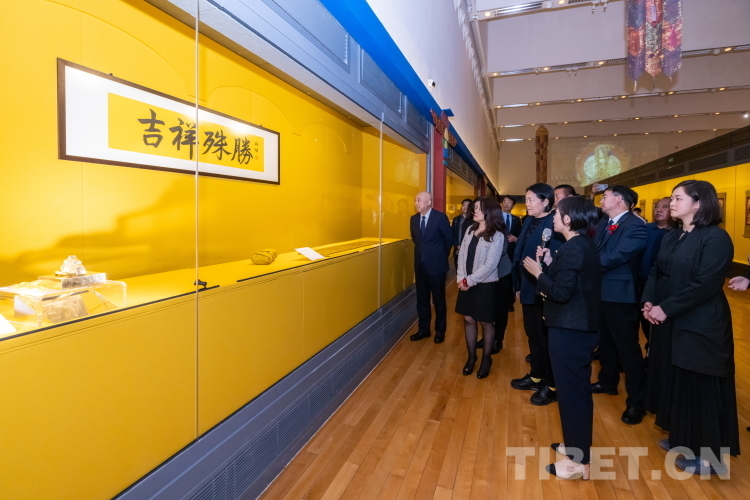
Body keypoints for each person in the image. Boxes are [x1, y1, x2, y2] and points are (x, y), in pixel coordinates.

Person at [642, 180, 740, 474]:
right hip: (672, 318)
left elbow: (705, 285)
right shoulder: (673, 235)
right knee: (679, 382)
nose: (671, 203)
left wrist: (665, 308)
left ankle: (710, 459)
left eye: (678, 198)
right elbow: (656, 271)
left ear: (699, 204)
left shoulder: (716, 238)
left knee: (701, 388)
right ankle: (684, 439)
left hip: (702, 322)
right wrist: (649, 301)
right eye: (671, 198)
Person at [523, 196, 601, 480]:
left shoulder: (573, 249)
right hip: (577, 329)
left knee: (572, 395)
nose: (554, 217)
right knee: (576, 392)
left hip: (570, 331)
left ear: (568, 220)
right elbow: (571, 282)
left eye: (557, 214)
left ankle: (579, 462)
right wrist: (549, 264)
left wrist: (538, 274)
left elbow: (560, 293)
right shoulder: (580, 245)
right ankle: (577, 446)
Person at [591, 185, 648, 425]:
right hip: (601, 291)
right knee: (605, 342)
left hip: (621, 295)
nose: (601, 200)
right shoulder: (605, 223)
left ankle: (637, 402)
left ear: (620, 200)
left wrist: (584, 262)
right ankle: (608, 381)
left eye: (605, 196)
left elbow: (617, 256)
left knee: (627, 349)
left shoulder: (636, 226)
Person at [510, 183, 564, 406]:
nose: (527, 203)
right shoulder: (529, 221)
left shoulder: (554, 223)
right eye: (526, 199)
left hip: (544, 287)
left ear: (546, 201)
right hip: (527, 286)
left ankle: (551, 384)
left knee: (545, 337)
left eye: (531, 199)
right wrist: (518, 285)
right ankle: (536, 375)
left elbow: (556, 260)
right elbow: (521, 253)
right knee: (532, 332)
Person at [456, 197, 506, 378]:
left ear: (489, 212)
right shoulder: (470, 229)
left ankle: (486, 359)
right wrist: (461, 278)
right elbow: (462, 255)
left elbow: (490, 265)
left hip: (485, 285)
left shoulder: (497, 235)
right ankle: (471, 357)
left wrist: (469, 281)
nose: (474, 211)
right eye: (474, 208)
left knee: (485, 321)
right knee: (468, 319)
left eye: (478, 208)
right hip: (466, 283)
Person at [410, 191, 453, 344]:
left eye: (419, 200)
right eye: (415, 200)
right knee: (422, 300)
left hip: (437, 266)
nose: (416, 203)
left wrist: (440, 256)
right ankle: (424, 329)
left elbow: (449, 239)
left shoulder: (440, 218)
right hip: (420, 266)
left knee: (439, 300)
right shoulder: (414, 219)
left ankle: (440, 331)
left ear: (429, 202)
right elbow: (416, 239)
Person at [638, 197, 673, 348]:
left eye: (664, 207)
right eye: (657, 206)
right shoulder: (645, 229)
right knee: (644, 319)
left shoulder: (676, 233)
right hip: (642, 282)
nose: (659, 209)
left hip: (664, 285)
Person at [500, 194, 522, 316]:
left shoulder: (516, 220)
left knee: (511, 277)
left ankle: (510, 302)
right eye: (504, 201)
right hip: (499, 252)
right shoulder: (496, 218)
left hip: (512, 252)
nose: (506, 203)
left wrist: (516, 239)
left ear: (513, 205)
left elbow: (521, 235)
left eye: (509, 202)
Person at [451, 199, 474, 268]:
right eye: (464, 205)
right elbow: (453, 234)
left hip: (470, 250)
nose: (465, 207)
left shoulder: (474, 219)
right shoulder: (456, 219)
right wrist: (457, 245)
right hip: (458, 249)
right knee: (458, 269)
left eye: (468, 205)